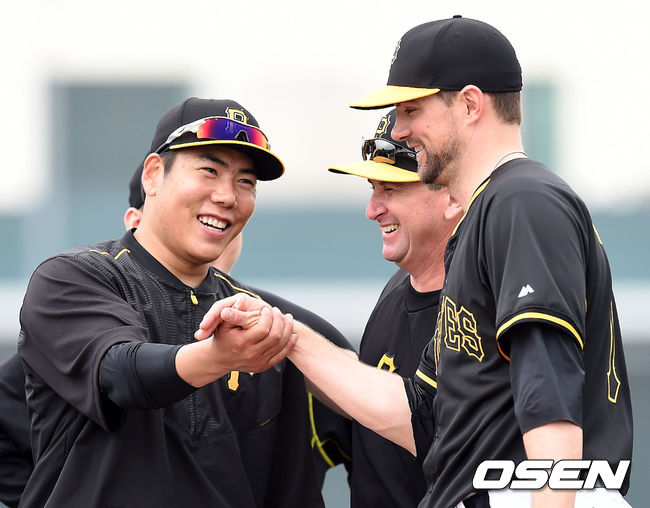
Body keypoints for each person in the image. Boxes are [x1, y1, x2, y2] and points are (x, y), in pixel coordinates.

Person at [198, 16, 634, 508]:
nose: (400, 129)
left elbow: (548, 395)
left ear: (470, 104)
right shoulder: (481, 220)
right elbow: (422, 417)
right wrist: (287, 334)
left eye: (411, 110)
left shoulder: (521, 198)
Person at [15, 97, 350, 507]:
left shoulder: (260, 321)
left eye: (246, 182)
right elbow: (121, 374)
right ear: (153, 174)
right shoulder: (73, 278)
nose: (227, 196)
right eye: (210, 171)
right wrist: (218, 356)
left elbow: (292, 487)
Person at [328, 108, 462, 507]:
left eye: (391, 189)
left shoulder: (484, 308)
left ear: (451, 197)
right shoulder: (395, 289)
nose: (373, 209)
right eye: (373, 189)